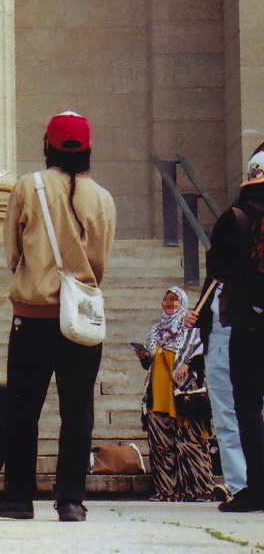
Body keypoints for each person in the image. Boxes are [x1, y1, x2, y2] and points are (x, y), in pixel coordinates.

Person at [0, 111, 116, 523]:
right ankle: (72, 499)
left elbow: (11, 253)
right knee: (78, 413)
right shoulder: (103, 198)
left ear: (48, 145)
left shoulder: (29, 185)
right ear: (88, 149)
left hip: (33, 316)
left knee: (23, 410)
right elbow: (100, 262)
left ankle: (19, 498)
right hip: (80, 319)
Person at [204, 141, 264, 512]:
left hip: (249, 322)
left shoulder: (236, 217)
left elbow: (217, 269)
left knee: (247, 405)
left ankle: (256, 487)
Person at [134, 286, 213, 502]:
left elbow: (201, 353)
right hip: (157, 392)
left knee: (191, 441)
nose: (169, 305)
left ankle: (200, 489)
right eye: (166, 301)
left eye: (174, 301)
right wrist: (143, 356)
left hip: (184, 391)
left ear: (182, 304)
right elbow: (148, 362)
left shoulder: (192, 329)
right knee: (161, 444)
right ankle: (167, 490)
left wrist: (188, 363)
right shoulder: (154, 330)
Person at [185, 276, 246, 505]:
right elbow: (203, 313)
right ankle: (239, 485)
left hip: (250, 342)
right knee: (224, 417)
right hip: (217, 344)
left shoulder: (253, 266)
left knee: (253, 414)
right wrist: (193, 317)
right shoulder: (216, 276)